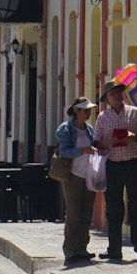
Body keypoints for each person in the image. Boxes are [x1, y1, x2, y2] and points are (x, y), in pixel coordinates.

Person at [95, 80, 137, 263]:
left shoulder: (135, 113)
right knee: (113, 209)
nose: (117, 95)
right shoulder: (102, 118)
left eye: (119, 92)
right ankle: (114, 250)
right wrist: (106, 143)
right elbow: (96, 142)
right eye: (112, 94)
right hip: (113, 166)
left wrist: (133, 137)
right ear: (106, 99)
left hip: (133, 165)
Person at [50, 98, 99, 265]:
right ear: (76, 111)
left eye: (89, 110)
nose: (88, 112)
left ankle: (81, 248)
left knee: (86, 213)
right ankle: (70, 249)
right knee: (73, 214)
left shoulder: (90, 130)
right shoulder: (65, 130)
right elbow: (64, 151)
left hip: (88, 176)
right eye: (85, 110)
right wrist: (82, 150)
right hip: (72, 176)